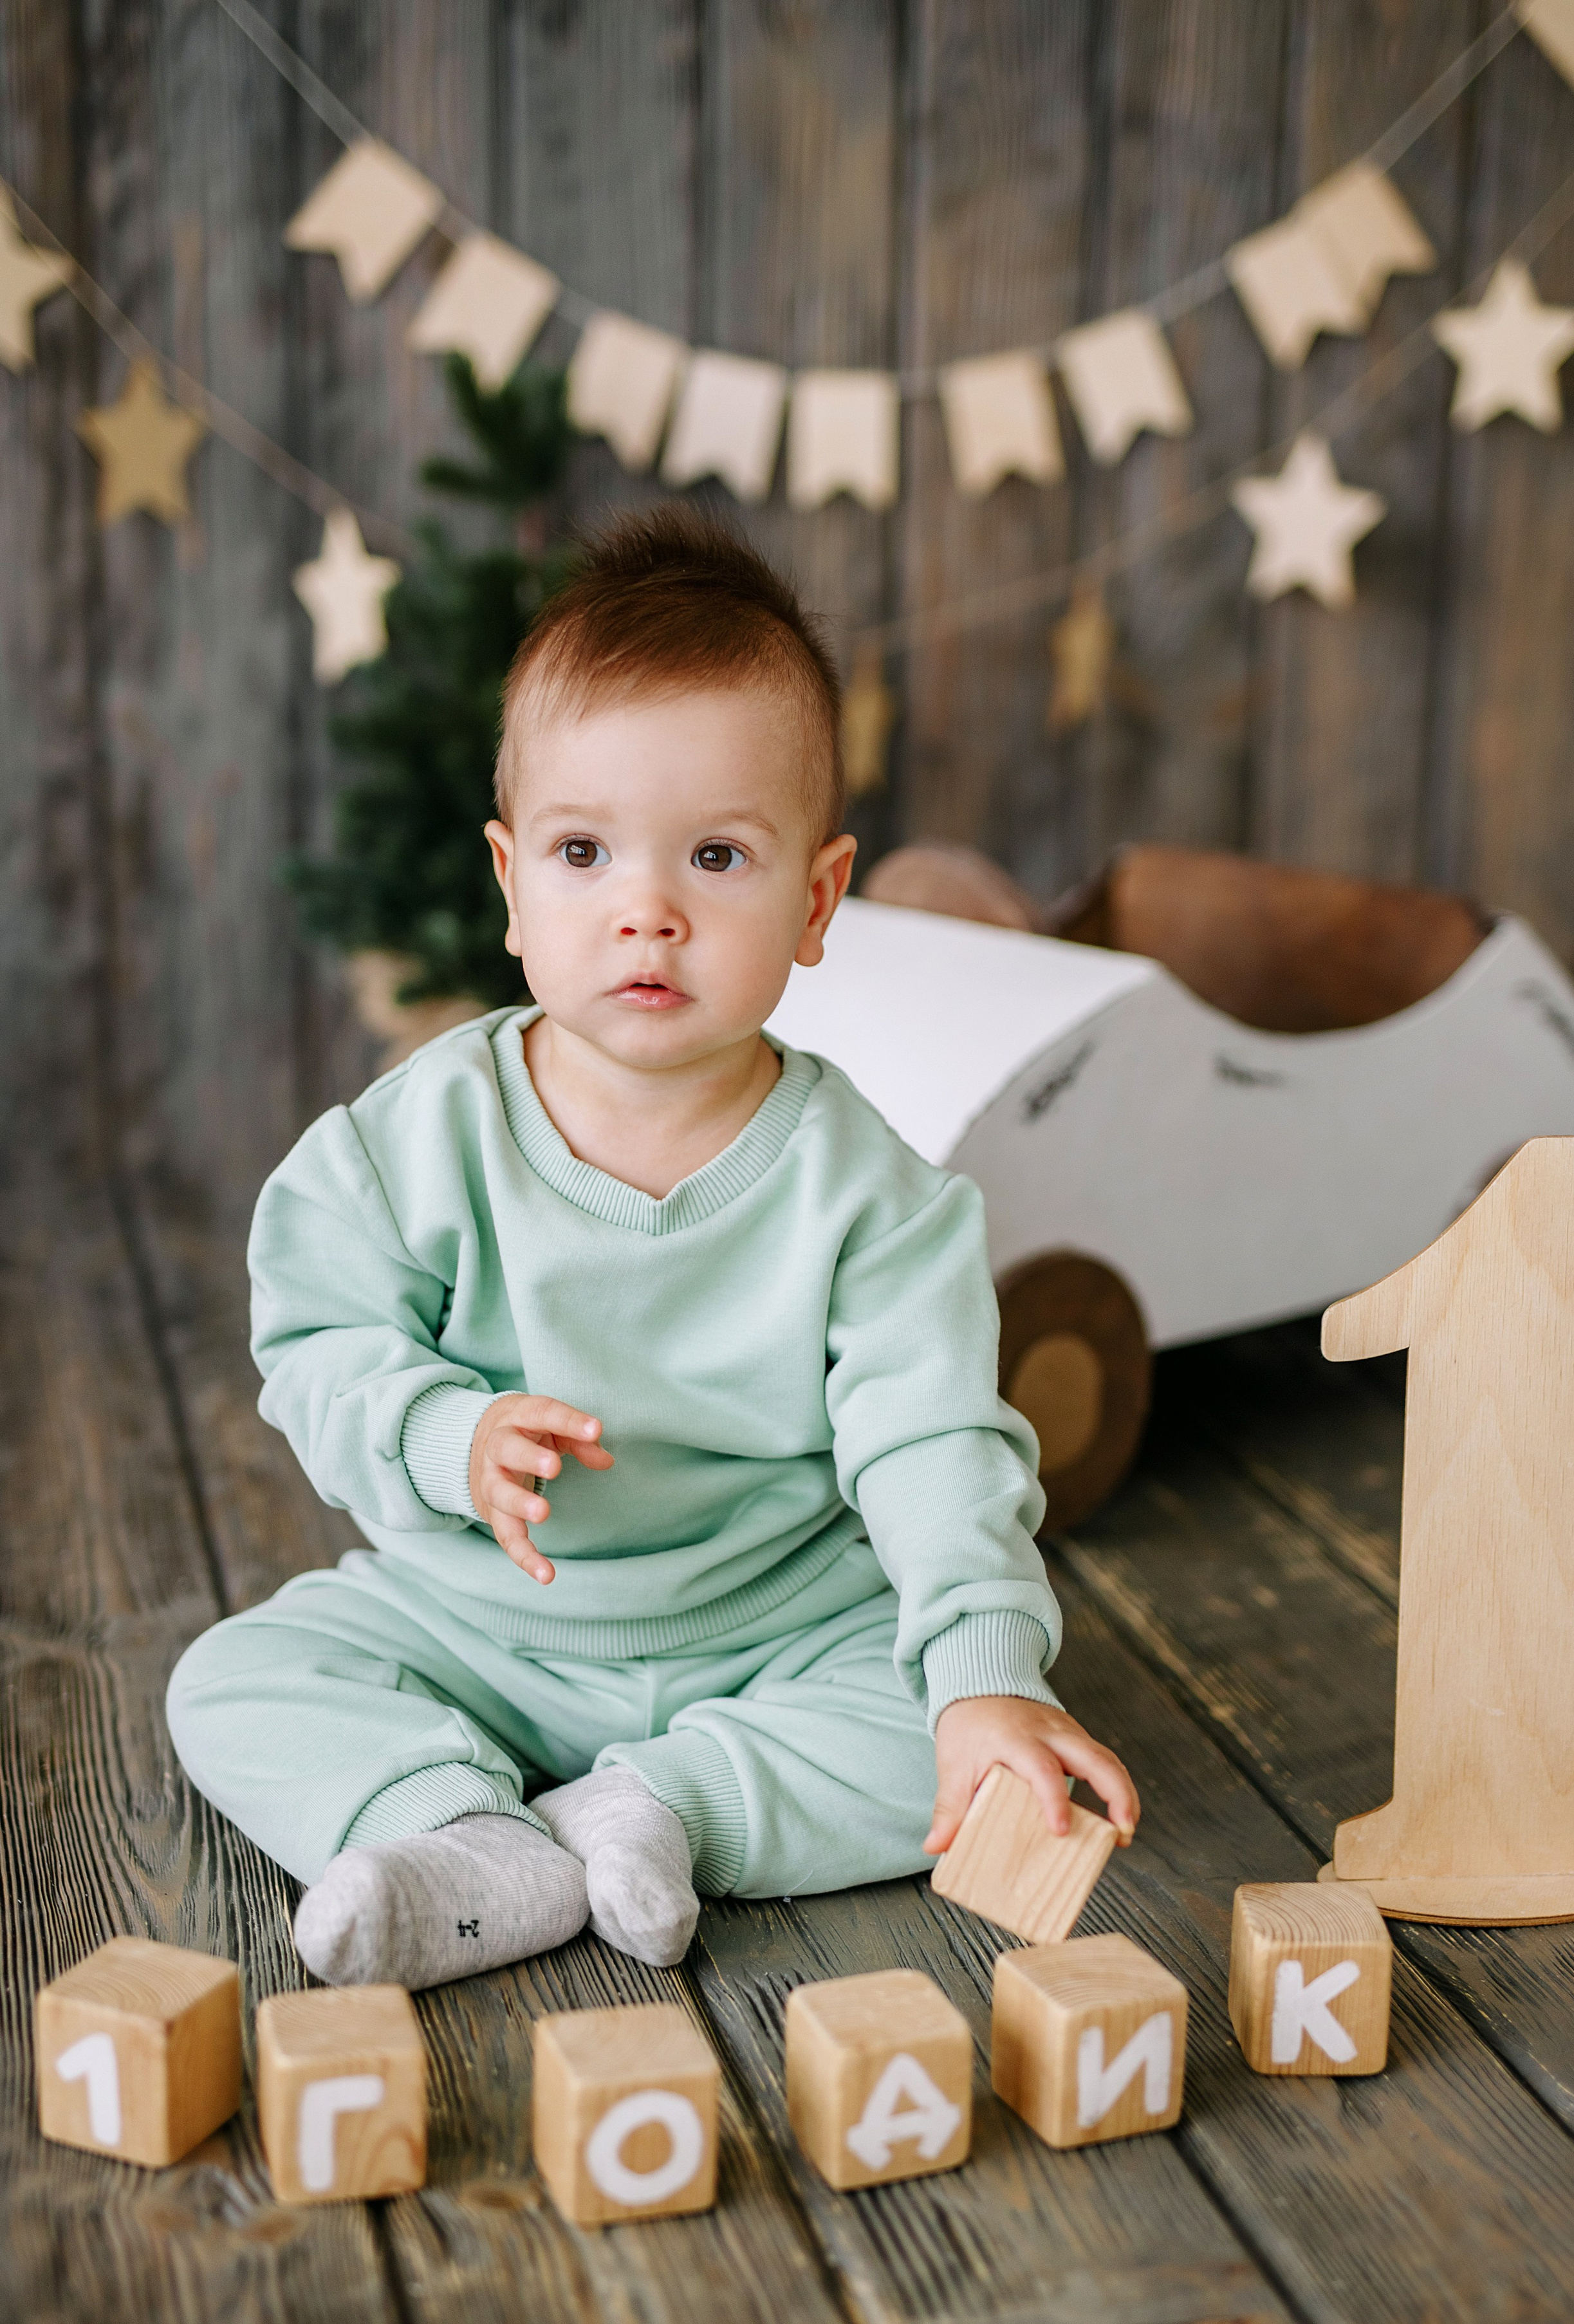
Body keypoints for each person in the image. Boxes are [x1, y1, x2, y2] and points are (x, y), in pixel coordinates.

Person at [166, 507, 1139, 1991]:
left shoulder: (870, 1196)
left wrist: (983, 1679)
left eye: (716, 855)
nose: (647, 912)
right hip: (482, 1622)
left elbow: (935, 1444)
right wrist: (440, 1436)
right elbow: (319, 1339)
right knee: (234, 1681)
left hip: (775, 1626)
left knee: (954, 1737)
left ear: (815, 900)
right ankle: (462, 1835)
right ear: (510, 884)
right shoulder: (412, 1142)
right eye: (582, 851)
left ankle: (662, 1807)